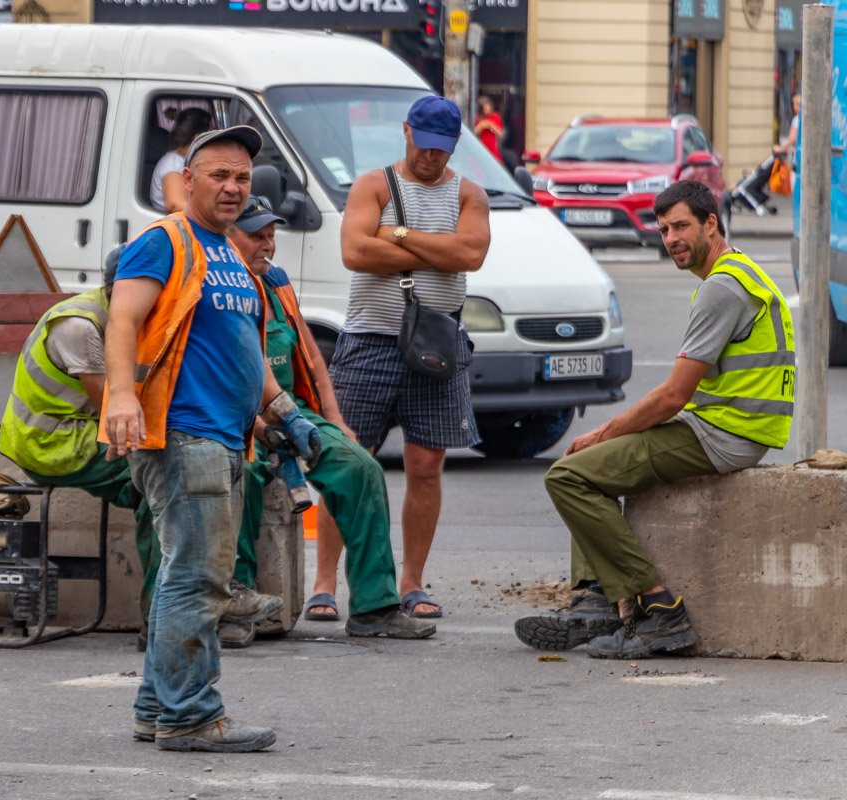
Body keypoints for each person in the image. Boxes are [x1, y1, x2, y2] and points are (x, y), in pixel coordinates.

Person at [104, 126, 322, 753]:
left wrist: (285, 411)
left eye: (242, 179)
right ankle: (192, 716)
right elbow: (123, 318)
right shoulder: (165, 240)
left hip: (224, 438)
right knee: (197, 580)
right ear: (189, 179)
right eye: (220, 176)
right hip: (182, 434)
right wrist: (121, 396)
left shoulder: (232, 255)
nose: (232, 187)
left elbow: (243, 359)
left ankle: (157, 707)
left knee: (185, 574)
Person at [514, 180, 796, 660]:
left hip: (725, 435)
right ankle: (595, 601)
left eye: (681, 226)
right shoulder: (741, 273)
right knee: (595, 464)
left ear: (711, 223)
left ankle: (660, 608)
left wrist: (603, 431)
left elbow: (672, 397)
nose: (671, 239)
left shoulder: (722, 289)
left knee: (568, 476)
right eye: (664, 229)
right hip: (734, 427)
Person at [0, 247, 282, 652]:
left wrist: (260, 425)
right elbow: (115, 412)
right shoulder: (81, 327)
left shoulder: (137, 322)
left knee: (195, 471)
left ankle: (201, 599)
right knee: (164, 482)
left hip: (86, 433)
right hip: (52, 443)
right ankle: (163, 621)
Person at [227, 195, 436, 643]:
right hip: (235, 418)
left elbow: (311, 357)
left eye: (270, 235)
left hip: (293, 413)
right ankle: (235, 608)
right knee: (246, 473)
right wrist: (263, 431)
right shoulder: (216, 283)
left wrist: (334, 420)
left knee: (360, 467)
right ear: (227, 236)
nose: (267, 244)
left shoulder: (276, 281)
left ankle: (374, 608)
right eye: (255, 235)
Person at [333, 95, 490, 619]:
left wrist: (395, 234)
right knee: (348, 462)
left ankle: (412, 582)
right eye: (423, 146)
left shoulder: (469, 195)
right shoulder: (373, 184)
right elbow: (355, 252)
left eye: (441, 150)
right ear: (406, 132)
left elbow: (470, 255)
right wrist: (434, 248)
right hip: (371, 338)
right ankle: (323, 583)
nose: (431, 157)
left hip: (437, 342)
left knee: (426, 465)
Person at [150, 107, 213, 213]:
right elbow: (176, 205)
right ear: (198, 138)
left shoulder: (186, 161)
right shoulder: (172, 164)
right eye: (211, 134)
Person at [473, 95, 504, 162]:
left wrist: (491, 125)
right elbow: (474, 133)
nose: (487, 109)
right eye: (484, 108)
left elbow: (501, 134)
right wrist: (481, 125)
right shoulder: (478, 118)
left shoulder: (495, 117)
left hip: (493, 148)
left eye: (488, 107)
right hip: (482, 148)